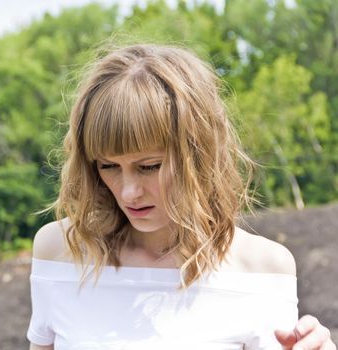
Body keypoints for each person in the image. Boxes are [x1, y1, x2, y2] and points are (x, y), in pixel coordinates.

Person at [27, 44, 336, 350]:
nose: (128, 191)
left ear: (198, 155)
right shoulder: (59, 252)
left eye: (149, 166)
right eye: (108, 166)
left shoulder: (261, 268)